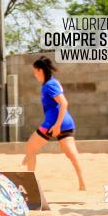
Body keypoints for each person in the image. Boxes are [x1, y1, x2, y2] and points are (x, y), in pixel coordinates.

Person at [23, 56, 86, 190]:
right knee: (72, 154)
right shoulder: (53, 82)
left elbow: (64, 103)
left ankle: (29, 184)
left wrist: (56, 125)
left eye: (35, 72)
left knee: (30, 146)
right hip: (66, 123)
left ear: (40, 70)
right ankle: (82, 184)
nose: (35, 75)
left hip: (53, 123)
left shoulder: (49, 85)